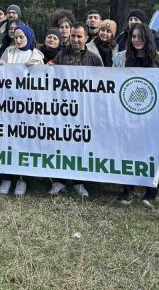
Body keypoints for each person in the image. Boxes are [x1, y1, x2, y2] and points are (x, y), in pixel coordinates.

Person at [115, 22, 159, 206]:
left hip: (152, 116)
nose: (136, 40)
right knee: (127, 149)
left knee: (150, 149)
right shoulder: (120, 59)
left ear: (147, 38)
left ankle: (150, 191)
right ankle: (128, 189)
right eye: (133, 37)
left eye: (140, 36)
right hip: (127, 114)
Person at [48, 23, 101, 199]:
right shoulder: (61, 55)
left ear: (86, 38)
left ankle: (80, 182)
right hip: (63, 111)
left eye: (79, 36)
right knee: (61, 146)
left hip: (85, 112)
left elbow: (101, 87)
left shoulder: (94, 59)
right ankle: (59, 181)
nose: (76, 40)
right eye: (73, 36)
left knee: (81, 147)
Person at [0, 23, 43, 196]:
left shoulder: (35, 55)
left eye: (22, 37)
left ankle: (22, 179)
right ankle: (7, 177)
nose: (19, 40)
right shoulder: (9, 52)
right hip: (8, 105)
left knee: (24, 141)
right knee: (7, 141)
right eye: (16, 37)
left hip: (27, 107)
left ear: (28, 37)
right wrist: (0, 64)